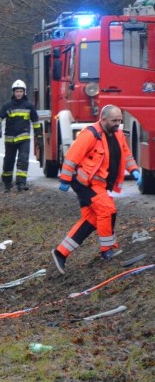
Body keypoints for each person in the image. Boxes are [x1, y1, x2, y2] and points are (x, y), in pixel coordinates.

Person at [52, 104, 141, 274]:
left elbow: (126, 155)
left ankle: (60, 253)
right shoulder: (90, 134)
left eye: (120, 121)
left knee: (91, 220)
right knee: (107, 209)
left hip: (98, 184)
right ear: (104, 119)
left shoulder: (118, 134)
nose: (117, 124)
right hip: (84, 183)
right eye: (114, 121)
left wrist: (135, 171)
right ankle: (107, 250)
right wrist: (64, 179)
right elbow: (71, 157)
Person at [0, 80, 43, 192]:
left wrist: (39, 138)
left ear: (24, 92)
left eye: (21, 91)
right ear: (13, 92)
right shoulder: (7, 105)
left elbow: (36, 123)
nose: (19, 93)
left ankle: (21, 183)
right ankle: (7, 183)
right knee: (8, 162)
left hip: (24, 139)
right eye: (17, 91)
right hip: (10, 140)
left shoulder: (29, 106)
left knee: (23, 160)